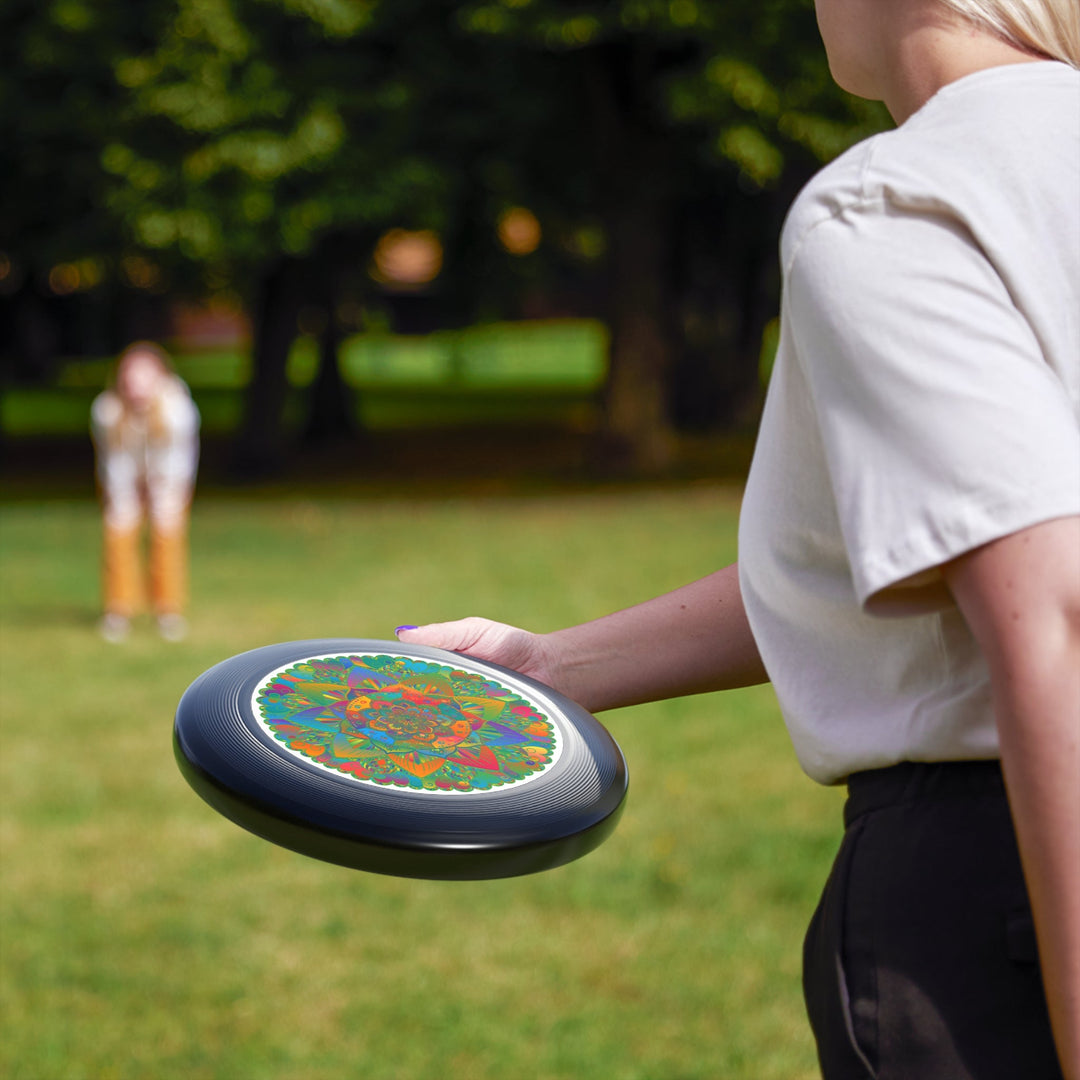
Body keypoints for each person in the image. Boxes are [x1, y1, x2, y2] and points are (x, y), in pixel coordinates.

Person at [395, 2, 1080, 1077]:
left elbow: (1055, 615)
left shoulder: (900, 202)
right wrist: (551, 667)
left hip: (1003, 890)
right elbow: (918, 551)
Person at [91, 341, 200, 642]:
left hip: (168, 479)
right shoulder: (107, 410)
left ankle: (168, 611)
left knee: (167, 535)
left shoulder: (178, 410)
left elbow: (177, 460)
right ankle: (118, 610)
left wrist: (160, 492)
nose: (136, 385)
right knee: (118, 531)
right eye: (130, 376)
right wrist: (126, 495)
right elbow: (114, 460)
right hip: (123, 478)